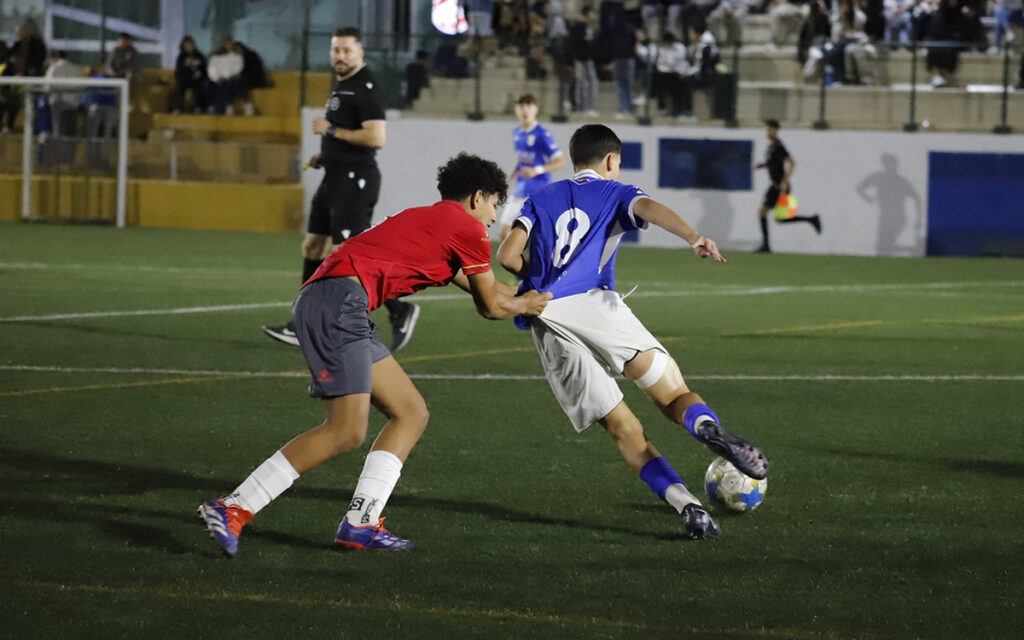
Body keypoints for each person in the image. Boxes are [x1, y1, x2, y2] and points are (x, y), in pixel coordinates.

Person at [198, 153, 552, 556]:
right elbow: (490, 306)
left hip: (336, 301)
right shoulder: (467, 229)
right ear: (477, 197)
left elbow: (492, 289)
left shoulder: (433, 221)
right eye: (494, 204)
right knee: (345, 430)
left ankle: (361, 523)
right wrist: (527, 306)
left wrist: (537, 296)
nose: (493, 217)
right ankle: (234, 506)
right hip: (339, 304)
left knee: (411, 412)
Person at [496, 124, 769, 541]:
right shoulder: (614, 191)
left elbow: (506, 255)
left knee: (623, 429)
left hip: (548, 318)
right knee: (673, 395)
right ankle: (703, 427)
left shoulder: (541, 197)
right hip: (598, 307)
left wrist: (540, 277)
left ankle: (689, 507)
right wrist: (693, 236)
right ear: (611, 161)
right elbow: (648, 208)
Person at [262, 28, 423, 351]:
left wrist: (331, 130)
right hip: (334, 175)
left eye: (346, 50)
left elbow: (376, 137)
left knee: (345, 255)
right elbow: (349, 134)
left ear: (360, 53)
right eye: (335, 50)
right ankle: (305, 322)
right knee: (313, 246)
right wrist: (327, 154)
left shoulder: (365, 88)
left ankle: (398, 309)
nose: (339, 56)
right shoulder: (344, 86)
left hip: (355, 179)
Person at [495, 93, 566, 240]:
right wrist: (509, 179)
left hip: (539, 191)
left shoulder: (542, 134)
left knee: (538, 236)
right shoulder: (517, 133)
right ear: (516, 110)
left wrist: (536, 170)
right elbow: (520, 159)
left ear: (535, 110)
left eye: (528, 106)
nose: (525, 110)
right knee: (504, 233)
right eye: (521, 106)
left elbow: (560, 161)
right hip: (520, 189)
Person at [753, 119, 821, 253]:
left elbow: (792, 162)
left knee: (777, 217)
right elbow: (771, 163)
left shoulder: (779, 146)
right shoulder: (771, 147)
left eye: (769, 129)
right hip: (774, 186)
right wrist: (760, 165)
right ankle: (812, 219)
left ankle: (812, 219)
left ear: (775, 130)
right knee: (767, 214)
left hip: (781, 187)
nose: (767, 132)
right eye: (766, 129)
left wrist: (785, 181)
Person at [172, 35, 209, 113]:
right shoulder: (181, 57)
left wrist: (201, 76)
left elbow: (205, 69)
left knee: (201, 88)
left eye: (190, 44)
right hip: (186, 79)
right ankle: (177, 108)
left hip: (198, 80)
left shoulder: (199, 55)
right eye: (186, 45)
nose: (188, 46)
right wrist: (185, 65)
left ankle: (199, 107)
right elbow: (178, 71)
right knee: (179, 88)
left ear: (193, 44)